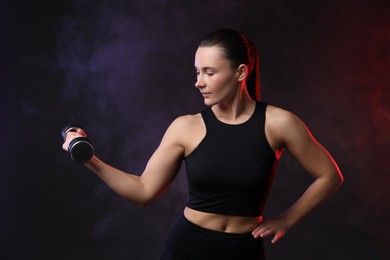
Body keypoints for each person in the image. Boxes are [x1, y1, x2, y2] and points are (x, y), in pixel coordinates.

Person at [62, 28, 344, 260]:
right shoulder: (186, 127)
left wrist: (286, 219)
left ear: (241, 72)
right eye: (197, 72)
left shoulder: (278, 123)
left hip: (243, 252)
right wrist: (89, 158)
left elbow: (330, 176)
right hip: (187, 248)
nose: (199, 82)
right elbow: (143, 191)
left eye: (209, 72)